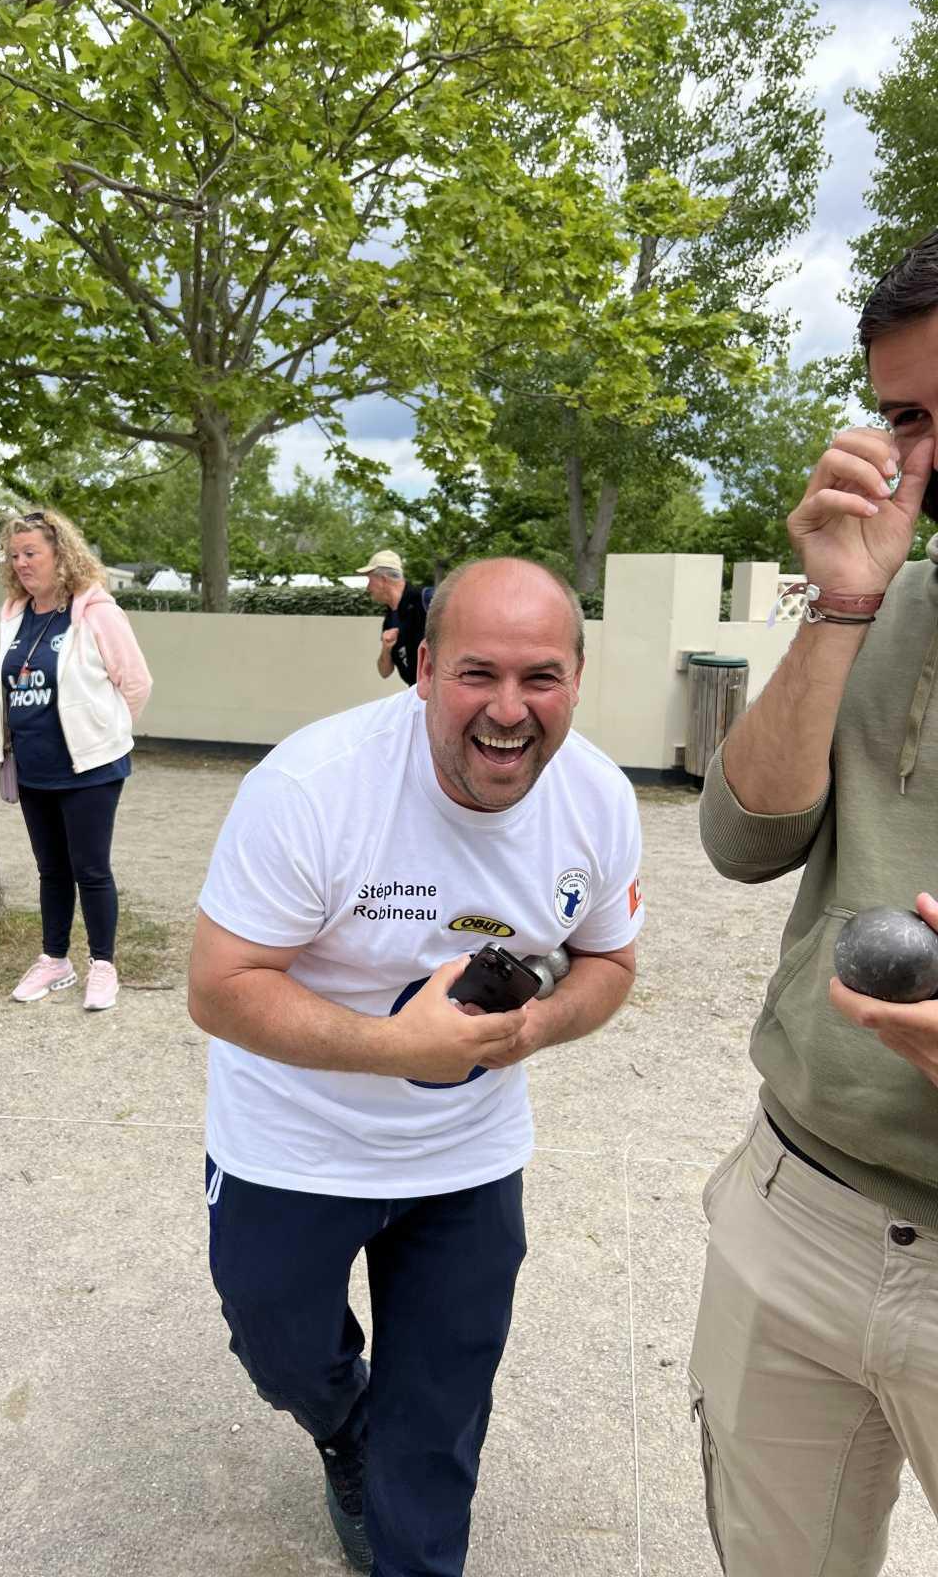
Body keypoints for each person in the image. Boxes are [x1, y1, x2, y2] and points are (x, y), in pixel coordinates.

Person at [188, 557, 644, 1577]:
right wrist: (401, 1046)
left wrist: (536, 1029)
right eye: (479, 674)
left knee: (437, 1414)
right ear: (426, 666)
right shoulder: (314, 785)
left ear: (578, 676)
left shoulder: (599, 801)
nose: (510, 710)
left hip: (466, 1158)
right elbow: (220, 986)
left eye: (542, 677)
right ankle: (346, 1424)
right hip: (293, 1144)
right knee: (284, 1355)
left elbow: (610, 962)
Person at [692, 226, 938, 1576]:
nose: (928, 457)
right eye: (908, 417)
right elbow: (742, 837)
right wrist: (843, 609)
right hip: (802, 1209)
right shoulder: (893, 607)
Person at [0, 508, 152, 1012]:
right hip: (32, 765)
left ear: (60, 554)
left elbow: (136, 683)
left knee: (91, 868)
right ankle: (55, 960)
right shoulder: (14, 613)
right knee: (51, 870)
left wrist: (104, 732)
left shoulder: (96, 610)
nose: (21, 563)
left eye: (31, 553)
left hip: (90, 768)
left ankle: (103, 965)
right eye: (14, 555)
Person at [357, 549, 428, 686]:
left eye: (369, 580)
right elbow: (384, 672)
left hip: (437, 693)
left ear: (383, 580)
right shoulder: (390, 619)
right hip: (415, 693)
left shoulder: (425, 600)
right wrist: (386, 648)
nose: (367, 588)